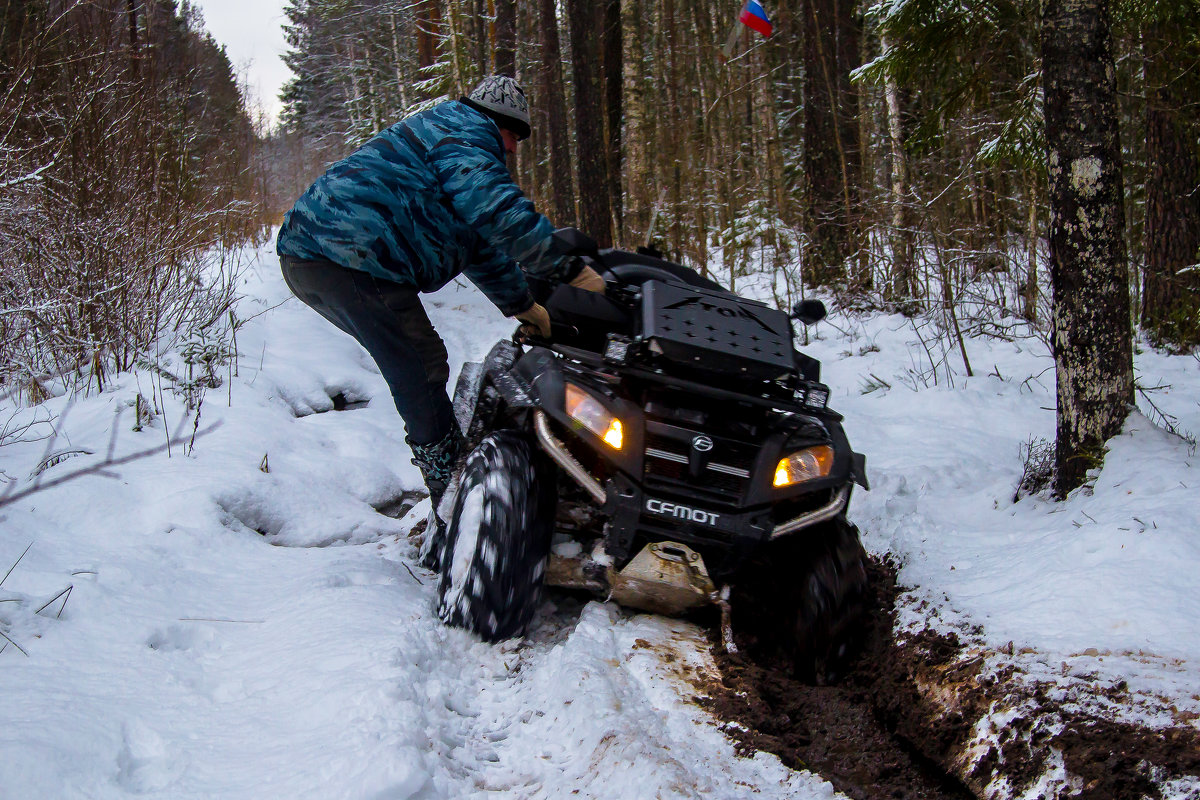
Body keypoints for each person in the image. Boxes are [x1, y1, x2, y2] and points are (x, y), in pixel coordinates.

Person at [276, 75, 605, 563]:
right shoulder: (464, 131)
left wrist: (524, 307)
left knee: (421, 358)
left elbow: (481, 247)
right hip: (345, 256)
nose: (514, 150)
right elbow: (495, 210)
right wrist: (571, 270)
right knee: (420, 365)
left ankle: (450, 485)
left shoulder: (446, 142)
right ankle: (453, 501)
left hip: (324, 257)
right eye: (516, 137)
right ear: (502, 124)